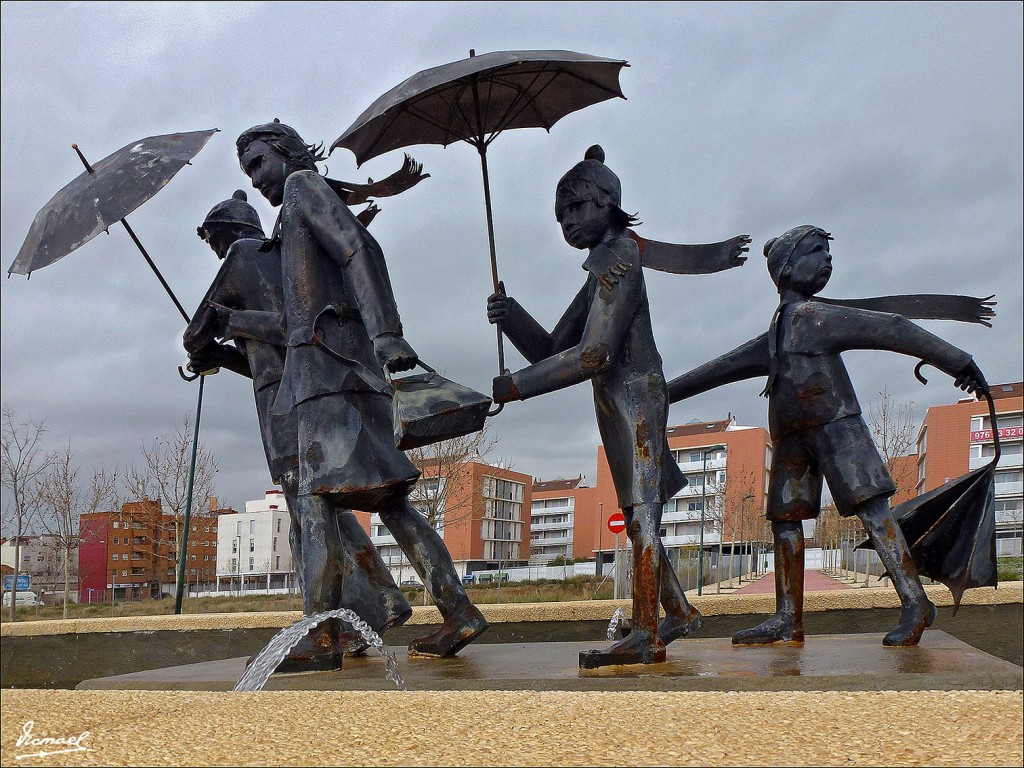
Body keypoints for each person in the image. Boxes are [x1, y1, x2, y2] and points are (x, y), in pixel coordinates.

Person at [223, 120, 487, 657]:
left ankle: (320, 635)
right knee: (391, 500)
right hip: (343, 371)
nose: (254, 178)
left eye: (258, 163)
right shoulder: (298, 204)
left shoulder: (302, 188)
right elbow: (305, 306)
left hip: (329, 376)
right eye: (247, 171)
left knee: (316, 502)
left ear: (287, 152)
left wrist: (388, 335)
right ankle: (458, 611)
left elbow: (358, 249)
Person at [666, 225, 989, 646]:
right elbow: (720, 368)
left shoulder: (818, 316)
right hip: (790, 437)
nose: (827, 258)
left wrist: (958, 361)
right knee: (785, 520)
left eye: (826, 251)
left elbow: (894, 327)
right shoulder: (779, 330)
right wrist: (663, 394)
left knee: (873, 510)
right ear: (785, 268)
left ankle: (915, 602)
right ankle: (788, 617)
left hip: (838, 428)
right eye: (815, 251)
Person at [487, 145, 714, 668]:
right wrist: (511, 315)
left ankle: (647, 633)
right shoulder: (599, 269)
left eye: (575, 207)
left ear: (607, 202)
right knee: (637, 516)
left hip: (635, 396)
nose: (566, 221)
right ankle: (677, 612)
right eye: (560, 214)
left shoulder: (620, 258)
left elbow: (594, 353)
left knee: (644, 514)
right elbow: (552, 348)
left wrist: (516, 386)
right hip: (616, 400)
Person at [184, 191, 411, 670]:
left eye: (212, 239)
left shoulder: (243, 254)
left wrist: (204, 340)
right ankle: (370, 605)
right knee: (320, 508)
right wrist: (222, 353)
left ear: (228, 230)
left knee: (308, 514)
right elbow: (267, 353)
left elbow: (197, 330)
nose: (215, 249)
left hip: (282, 405)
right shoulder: (288, 265)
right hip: (306, 388)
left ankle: (344, 620)